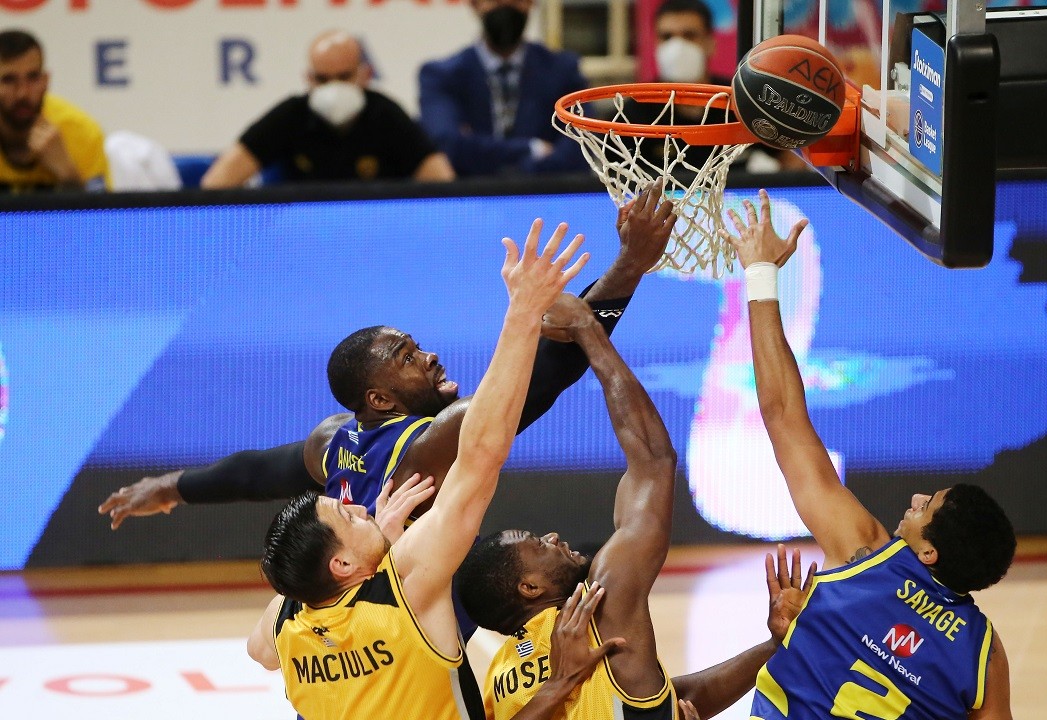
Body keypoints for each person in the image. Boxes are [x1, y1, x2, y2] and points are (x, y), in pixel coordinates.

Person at [98, 181, 676, 530]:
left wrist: (170, 486)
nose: (430, 357)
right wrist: (629, 266)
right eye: (407, 357)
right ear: (378, 398)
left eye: (417, 347)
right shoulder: (431, 443)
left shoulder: (334, 441)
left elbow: (255, 472)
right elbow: (544, 378)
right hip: (406, 623)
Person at [247, 219, 592, 719]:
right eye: (347, 516)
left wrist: (366, 549)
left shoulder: (288, 624)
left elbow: (260, 650)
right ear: (341, 566)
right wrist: (522, 312)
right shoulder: (406, 586)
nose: (359, 509)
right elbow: (481, 453)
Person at [724, 189, 1017, 720]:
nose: (918, 498)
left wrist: (761, 274)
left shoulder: (865, 552)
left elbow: (782, 414)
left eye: (929, 506)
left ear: (928, 553)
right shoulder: (984, 654)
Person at [455, 293, 807, 720]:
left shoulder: (500, 675)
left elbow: (666, 699)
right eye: (536, 544)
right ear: (530, 588)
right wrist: (589, 331)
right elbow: (653, 461)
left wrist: (774, 646)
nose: (551, 536)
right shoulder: (599, 605)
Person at [202, 29, 454, 188]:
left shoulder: (387, 116)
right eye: (322, 79)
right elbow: (216, 183)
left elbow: (444, 185)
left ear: (365, 74)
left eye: (344, 77)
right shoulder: (290, 116)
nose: (333, 88)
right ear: (308, 79)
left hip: (373, 231)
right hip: (303, 234)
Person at [417, 0, 588, 177]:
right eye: (496, 1)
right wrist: (532, 148)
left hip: (547, 192)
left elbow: (581, 148)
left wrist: (478, 152)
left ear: (531, 3)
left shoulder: (563, 72)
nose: (506, 5)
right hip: (470, 194)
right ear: (475, 4)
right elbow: (448, 145)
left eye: (515, 1)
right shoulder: (440, 76)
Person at [0, 29, 108, 193]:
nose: (22, 93)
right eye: (8, 80)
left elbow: (102, 209)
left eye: (33, 78)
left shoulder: (82, 133)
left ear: (45, 81)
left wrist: (69, 176)